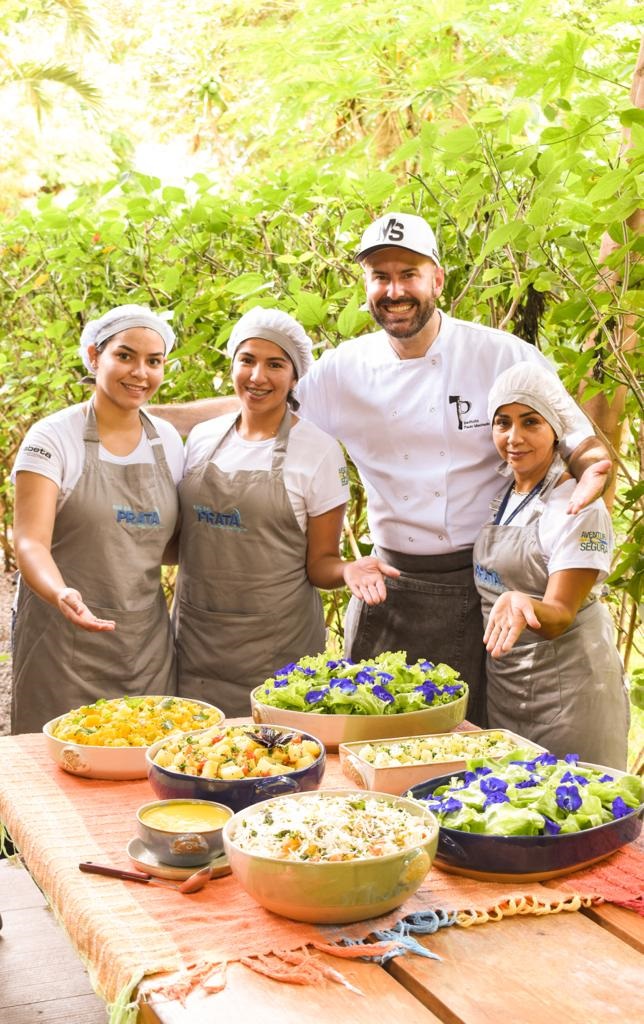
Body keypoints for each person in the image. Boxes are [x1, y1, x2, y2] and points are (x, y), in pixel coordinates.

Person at [151, 212, 612, 725]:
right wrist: (148, 413)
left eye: (409, 274)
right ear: (367, 286)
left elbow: (573, 434)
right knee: (368, 733)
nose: (395, 291)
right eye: (380, 276)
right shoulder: (344, 369)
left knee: (465, 740)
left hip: (479, 583)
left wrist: (592, 468)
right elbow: (261, 402)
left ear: (437, 279)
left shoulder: (500, 355)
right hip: (388, 582)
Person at [173, 306, 398, 716]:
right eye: (247, 360)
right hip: (195, 643)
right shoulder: (201, 440)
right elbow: (179, 539)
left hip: (276, 651)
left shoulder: (317, 451)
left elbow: (320, 564)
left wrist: (348, 570)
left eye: (275, 364)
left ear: (295, 377)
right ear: (232, 365)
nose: (258, 376)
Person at [11, 304, 184, 733]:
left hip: (143, 645)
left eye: (154, 361)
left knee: (145, 753)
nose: (140, 373)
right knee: (57, 757)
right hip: (61, 643)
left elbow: (166, 545)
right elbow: (30, 540)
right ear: (94, 356)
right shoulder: (52, 437)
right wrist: (61, 592)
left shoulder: (168, 441)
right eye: (124, 356)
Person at [473, 362, 628, 768]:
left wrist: (522, 601)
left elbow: (559, 615)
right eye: (503, 423)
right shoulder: (506, 493)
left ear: (556, 430)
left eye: (531, 422)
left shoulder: (576, 506)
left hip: (571, 691)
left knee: (578, 798)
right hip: (509, 685)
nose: (514, 437)